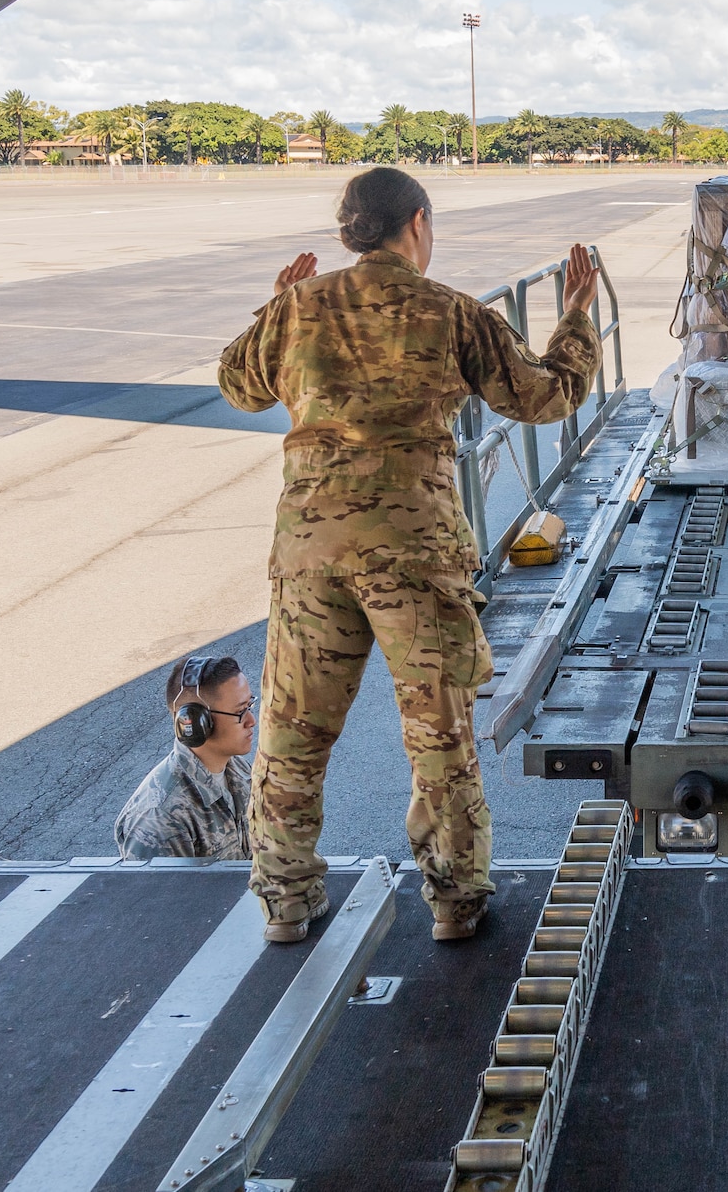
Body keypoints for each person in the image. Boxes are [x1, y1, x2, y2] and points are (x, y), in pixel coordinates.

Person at [218, 168, 602, 944]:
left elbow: (238, 384)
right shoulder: (452, 313)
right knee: (439, 732)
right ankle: (455, 902)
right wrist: (576, 318)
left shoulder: (299, 308)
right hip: (414, 552)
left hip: (311, 551)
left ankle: (285, 904)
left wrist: (276, 305)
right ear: (417, 225)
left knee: (294, 730)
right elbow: (547, 396)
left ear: (345, 235)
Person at [114, 654, 256, 861]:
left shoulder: (239, 770)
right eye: (240, 712)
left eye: (250, 706)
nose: (252, 720)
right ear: (197, 723)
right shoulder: (160, 817)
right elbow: (160, 894)